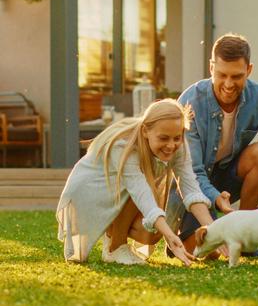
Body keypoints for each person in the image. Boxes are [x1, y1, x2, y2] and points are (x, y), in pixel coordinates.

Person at [166, 33, 258, 253]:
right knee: (210, 252)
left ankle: (247, 237)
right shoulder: (190, 101)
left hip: (229, 178)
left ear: (249, 70)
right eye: (222, 75)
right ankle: (190, 235)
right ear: (211, 67)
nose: (228, 84)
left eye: (237, 76)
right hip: (192, 185)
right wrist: (215, 199)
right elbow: (192, 172)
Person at [56, 99, 214, 266]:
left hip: (119, 192)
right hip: (89, 192)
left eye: (177, 137)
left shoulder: (177, 144)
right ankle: (115, 248)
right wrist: (170, 235)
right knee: (145, 199)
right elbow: (140, 192)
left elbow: (191, 189)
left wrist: (217, 232)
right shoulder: (125, 145)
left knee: (150, 234)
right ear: (145, 131)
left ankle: (112, 239)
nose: (171, 145)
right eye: (164, 138)